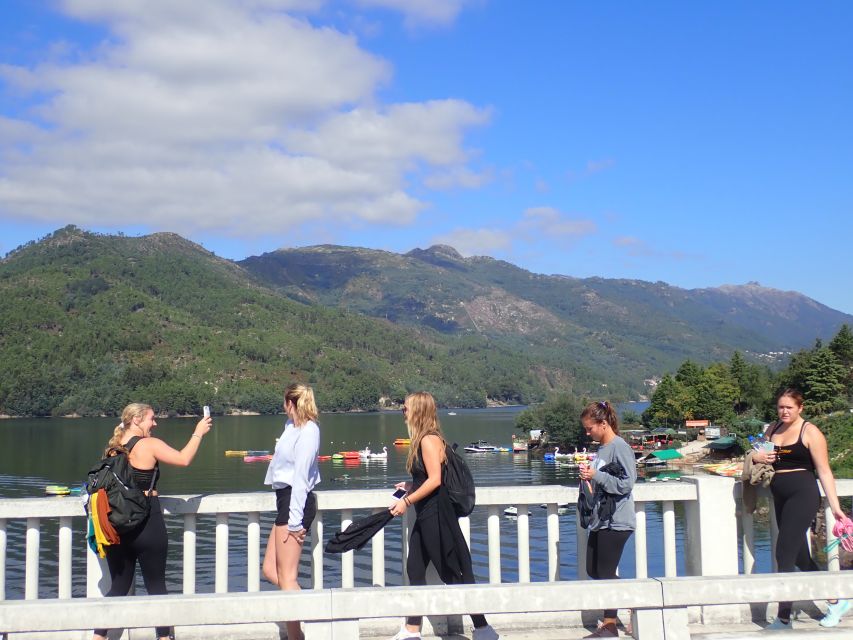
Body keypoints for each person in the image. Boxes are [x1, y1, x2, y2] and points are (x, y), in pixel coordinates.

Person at [93, 402, 212, 640]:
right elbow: (183, 459)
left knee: (117, 587)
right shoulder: (149, 445)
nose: (155, 423)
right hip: (148, 523)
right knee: (157, 587)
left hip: (118, 526)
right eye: (151, 419)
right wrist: (199, 431)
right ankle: (164, 637)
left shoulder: (112, 450)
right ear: (136, 420)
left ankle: (98, 637)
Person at [388, 392, 499, 640]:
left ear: (417, 410)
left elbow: (436, 481)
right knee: (415, 568)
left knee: (455, 571)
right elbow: (427, 478)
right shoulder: (429, 438)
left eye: (405, 409)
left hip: (435, 514)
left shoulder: (427, 440)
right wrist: (410, 485)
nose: (403, 413)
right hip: (428, 512)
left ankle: (483, 629)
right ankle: (412, 630)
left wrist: (406, 501)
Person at [750, 388, 849, 630]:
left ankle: (783, 618)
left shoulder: (810, 431)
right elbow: (756, 455)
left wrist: (835, 507)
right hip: (779, 494)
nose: (784, 411)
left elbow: (824, 471)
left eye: (789, 407)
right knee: (801, 557)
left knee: (783, 553)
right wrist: (758, 458)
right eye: (781, 407)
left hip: (802, 494)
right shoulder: (771, 429)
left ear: (800, 408)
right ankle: (836, 601)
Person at [262, 383, 321, 640]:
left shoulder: (309, 431)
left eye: (284, 403)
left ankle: (297, 637)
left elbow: (300, 477)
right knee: (270, 570)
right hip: (283, 500)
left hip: (295, 503)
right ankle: (305, 606)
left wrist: (296, 522)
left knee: (287, 577)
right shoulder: (290, 428)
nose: (283, 408)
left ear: (291, 403)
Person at [578, 400, 637, 638]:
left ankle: (610, 625)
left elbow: (627, 483)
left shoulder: (619, 446)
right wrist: (589, 476)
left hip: (618, 520)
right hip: (601, 520)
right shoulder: (602, 448)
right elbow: (603, 478)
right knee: (594, 569)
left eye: (590, 427)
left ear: (603, 424)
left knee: (604, 571)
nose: (587, 432)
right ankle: (632, 600)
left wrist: (597, 475)